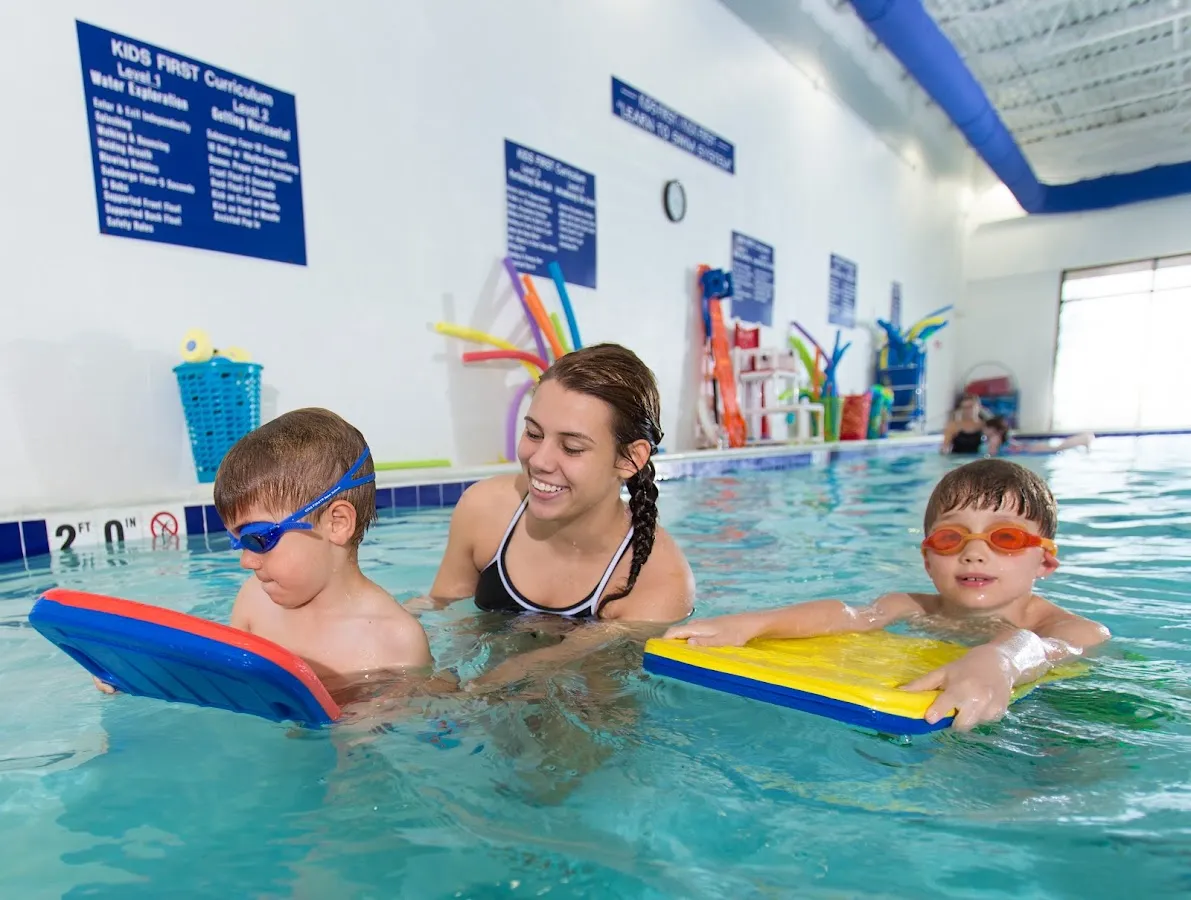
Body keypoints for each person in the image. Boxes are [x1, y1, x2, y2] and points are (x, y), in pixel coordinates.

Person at [663, 458, 1110, 731]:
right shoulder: (913, 607)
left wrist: (1002, 659)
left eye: (1005, 538)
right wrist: (753, 624)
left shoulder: (1070, 628)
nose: (974, 553)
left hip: (1055, 716)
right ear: (928, 560)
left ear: (1045, 562)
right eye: (951, 538)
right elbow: (850, 616)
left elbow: (1050, 648)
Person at [94, 408, 436, 701]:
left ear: (337, 523)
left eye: (258, 539)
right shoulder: (254, 602)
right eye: (238, 543)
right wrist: (141, 675)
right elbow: (222, 680)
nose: (246, 561)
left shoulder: (396, 642)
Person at [407, 342, 695, 681]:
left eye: (572, 448)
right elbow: (443, 611)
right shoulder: (485, 510)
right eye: (533, 433)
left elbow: (599, 691)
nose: (540, 460)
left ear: (630, 459)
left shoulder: (657, 581)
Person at [984, 415, 1094, 456]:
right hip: (1027, 447)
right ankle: (1082, 440)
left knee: (1057, 448)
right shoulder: (1001, 437)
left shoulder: (994, 439)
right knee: (1057, 448)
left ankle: (1083, 439)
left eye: (986, 428)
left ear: (993, 429)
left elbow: (991, 455)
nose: (984, 430)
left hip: (1028, 449)